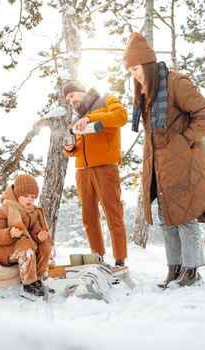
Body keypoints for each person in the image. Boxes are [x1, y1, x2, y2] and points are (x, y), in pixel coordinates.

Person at [123, 32, 205, 287]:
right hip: (159, 164)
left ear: (148, 63)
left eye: (136, 68)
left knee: (184, 217)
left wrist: (184, 141)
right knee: (166, 219)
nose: (134, 74)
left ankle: (192, 270)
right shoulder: (146, 92)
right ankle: (174, 269)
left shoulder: (176, 83)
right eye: (130, 70)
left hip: (182, 161)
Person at [61, 80, 128, 267]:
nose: (70, 100)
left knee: (113, 213)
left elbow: (121, 116)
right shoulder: (77, 119)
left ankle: (120, 260)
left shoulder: (107, 100)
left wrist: (91, 118)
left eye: (72, 95)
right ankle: (97, 257)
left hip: (105, 167)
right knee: (89, 217)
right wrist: (70, 147)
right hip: (82, 171)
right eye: (67, 99)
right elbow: (78, 147)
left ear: (80, 90)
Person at [0, 174, 55, 299]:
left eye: (33, 197)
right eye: (25, 196)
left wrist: (39, 234)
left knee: (45, 245)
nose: (29, 200)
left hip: (22, 244)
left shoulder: (33, 213)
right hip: (2, 248)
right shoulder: (3, 210)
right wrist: (10, 233)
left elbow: (35, 230)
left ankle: (37, 281)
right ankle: (28, 284)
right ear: (17, 195)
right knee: (26, 246)